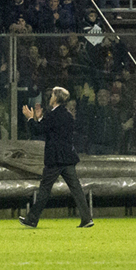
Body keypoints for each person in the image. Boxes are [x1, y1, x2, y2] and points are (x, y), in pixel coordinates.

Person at [18, 86, 93, 228]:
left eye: (52, 94)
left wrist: (30, 118)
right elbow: (52, 130)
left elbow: (39, 131)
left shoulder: (53, 114)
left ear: (56, 98)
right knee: (76, 189)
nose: (50, 97)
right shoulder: (67, 114)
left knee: (45, 189)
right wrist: (40, 119)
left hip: (55, 159)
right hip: (68, 157)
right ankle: (87, 218)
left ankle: (32, 219)